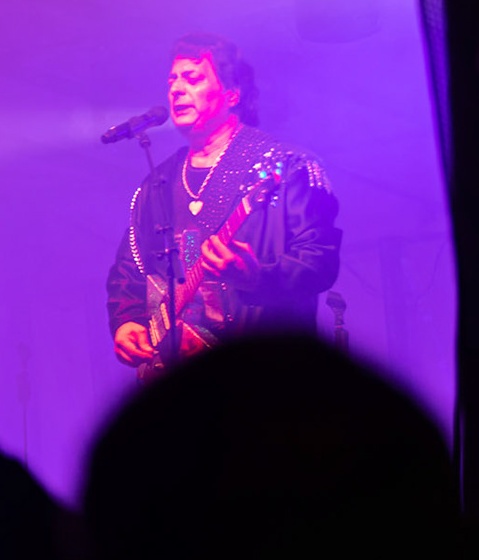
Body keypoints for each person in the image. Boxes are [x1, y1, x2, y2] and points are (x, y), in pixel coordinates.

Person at [108, 32, 340, 372]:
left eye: (192, 78)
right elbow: (131, 269)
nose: (175, 89)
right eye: (172, 79)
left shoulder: (288, 166)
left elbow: (319, 262)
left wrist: (256, 275)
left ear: (231, 93)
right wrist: (126, 320)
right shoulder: (158, 184)